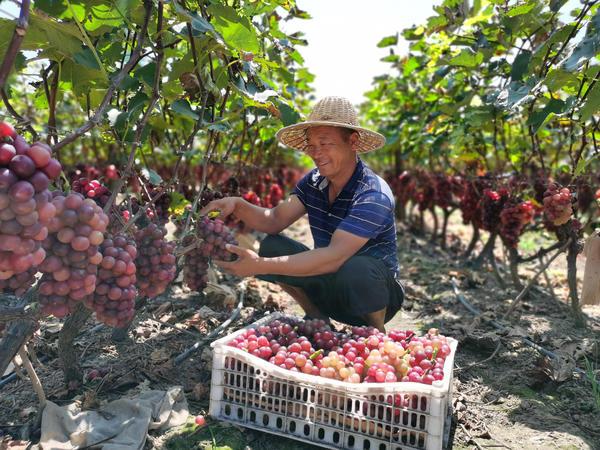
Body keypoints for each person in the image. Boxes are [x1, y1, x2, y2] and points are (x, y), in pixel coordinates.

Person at [200, 96, 404, 331]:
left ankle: (376, 333)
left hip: (377, 298)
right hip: (332, 288)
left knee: (357, 267)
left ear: (353, 142)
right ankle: (317, 317)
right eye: (311, 145)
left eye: (325, 143)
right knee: (273, 245)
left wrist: (261, 265)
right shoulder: (314, 182)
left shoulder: (372, 194)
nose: (316, 153)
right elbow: (274, 220)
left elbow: (334, 257)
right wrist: (237, 205)